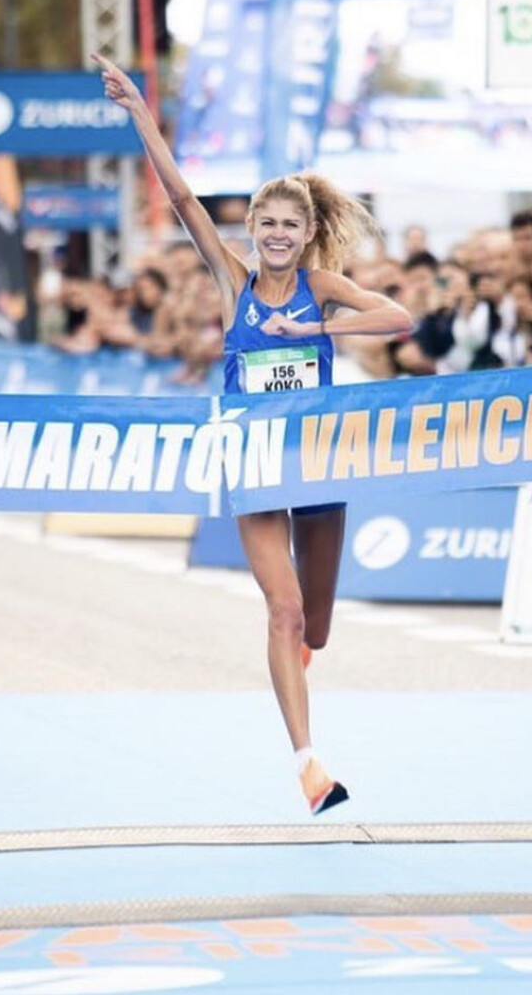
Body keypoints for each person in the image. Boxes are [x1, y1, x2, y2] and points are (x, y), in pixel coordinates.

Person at [94, 54, 412, 815]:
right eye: (265, 223)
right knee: (283, 611)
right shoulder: (233, 282)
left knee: (317, 630)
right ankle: (309, 767)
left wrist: (314, 327)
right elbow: (180, 197)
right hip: (256, 464)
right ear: (250, 230)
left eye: (289, 225)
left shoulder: (320, 288)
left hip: (318, 460)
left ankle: (299, 657)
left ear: (307, 235)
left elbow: (398, 318)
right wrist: (141, 112)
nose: (276, 234)